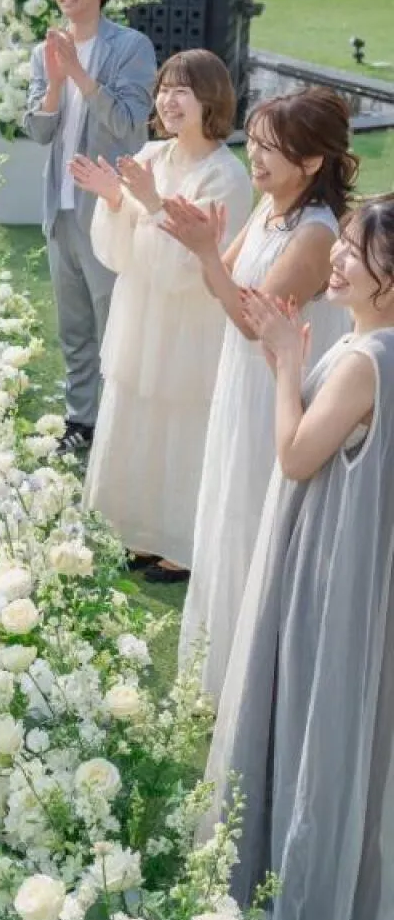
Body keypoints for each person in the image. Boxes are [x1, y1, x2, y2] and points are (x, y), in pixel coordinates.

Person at [202, 197, 394, 920]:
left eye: (356, 252)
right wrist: (286, 359)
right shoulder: (366, 348)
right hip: (356, 558)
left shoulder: (364, 360)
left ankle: (302, 898)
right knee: (351, 722)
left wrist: (286, 361)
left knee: (314, 713)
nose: (337, 260)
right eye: (341, 243)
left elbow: (295, 456)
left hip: (330, 560)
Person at [162, 87, 355, 699]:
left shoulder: (316, 234)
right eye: (258, 143)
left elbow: (252, 319)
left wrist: (206, 255)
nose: (258, 157)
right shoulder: (271, 208)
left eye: (274, 148)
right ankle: (220, 668)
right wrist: (207, 253)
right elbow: (224, 279)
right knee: (229, 507)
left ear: (312, 162)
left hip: (277, 388)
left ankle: (255, 683)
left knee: (255, 516)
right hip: (242, 381)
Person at [71, 49, 252, 581]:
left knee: (183, 424)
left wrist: (149, 205)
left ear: (210, 100)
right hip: (140, 312)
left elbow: (189, 268)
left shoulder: (225, 177)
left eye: (182, 91)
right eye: (165, 89)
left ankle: (181, 541)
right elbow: (119, 253)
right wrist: (113, 201)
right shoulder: (150, 155)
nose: (169, 101)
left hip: (190, 323)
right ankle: (137, 531)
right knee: (137, 413)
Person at [23, 0, 157, 454]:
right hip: (59, 209)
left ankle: (120, 424)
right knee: (73, 324)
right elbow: (39, 131)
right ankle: (81, 421)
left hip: (109, 208)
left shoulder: (131, 47)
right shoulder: (44, 52)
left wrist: (78, 73)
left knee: (112, 321)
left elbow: (128, 123)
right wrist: (55, 84)